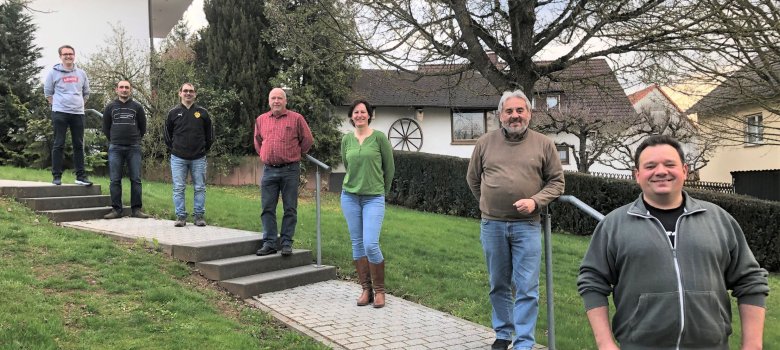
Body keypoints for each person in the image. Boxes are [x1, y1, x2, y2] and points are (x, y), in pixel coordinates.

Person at [577, 135, 769, 350]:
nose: (661, 171)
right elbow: (592, 282)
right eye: (650, 166)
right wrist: (605, 344)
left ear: (685, 171)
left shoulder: (718, 219)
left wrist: (753, 345)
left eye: (670, 164)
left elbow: (750, 281)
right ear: (637, 175)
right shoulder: (614, 225)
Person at [466, 90, 565, 350]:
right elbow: (473, 179)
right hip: (492, 225)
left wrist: (536, 201)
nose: (514, 116)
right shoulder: (485, 143)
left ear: (529, 114)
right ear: (500, 115)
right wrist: (487, 202)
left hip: (528, 225)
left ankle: (523, 342)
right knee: (498, 283)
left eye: (520, 110)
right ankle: (503, 333)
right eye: (509, 111)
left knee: (527, 288)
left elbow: (557, 182)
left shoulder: (544, 144)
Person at [340, 100, 395, 308]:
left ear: (369, 115)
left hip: (374, 197)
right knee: (357, 244)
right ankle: (366, 290)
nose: (360, 115)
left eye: (363, 112)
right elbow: (347, 165)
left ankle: (380, 291)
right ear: (351, 116)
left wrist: (382, 192)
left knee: (370, 243)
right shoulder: (346, 140)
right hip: (350, 197)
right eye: (356, 112)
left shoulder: (379, 138)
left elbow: (389, 169)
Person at [253, 88, 314, 257]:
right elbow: (258, 141)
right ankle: (270, 243)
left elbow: (308, 139)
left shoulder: (296, 118)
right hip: (269, 170)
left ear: (285, 101)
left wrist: (296, 153)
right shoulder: (261, 120)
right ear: (269, 101)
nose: (276, 101)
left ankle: (286, 242)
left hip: (289, 170)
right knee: (267, 208)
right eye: (273, 98)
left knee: (290, 208)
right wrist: (265, 154)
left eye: (280, 98)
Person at [164, 83, 213, 227]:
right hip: (178, 158)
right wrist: (174, 149)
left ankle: (199, 216)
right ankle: (180, 216)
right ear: (180, 93)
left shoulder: (203, 113)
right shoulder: (173, 113)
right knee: (178, 187)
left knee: (200, 187)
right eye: (185, 91)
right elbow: (167, 135)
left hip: (199, 157)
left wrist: (203, 149)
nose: (188, 93)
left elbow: (210, 135)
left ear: (195, 94)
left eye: (191, 91)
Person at [43, 45, 92, 186]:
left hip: (78, 114)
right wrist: (59, 105)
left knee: (79, 145)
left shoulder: (81, 73)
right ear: (60, 56)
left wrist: (78, 105)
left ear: (74, 55)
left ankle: (80, 177)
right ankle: (56, 176)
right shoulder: (53, 73)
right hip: (60, 113)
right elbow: (48, 93)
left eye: (70, 54)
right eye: (65, 54)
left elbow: (86, 93)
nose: (68, 56)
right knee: (59, 144)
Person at [102, 80, 150, 219]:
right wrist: (114, 139)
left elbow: (143, 127)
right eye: (121, 87)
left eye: (127, 87)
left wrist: (135, 139)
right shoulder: (110, 107)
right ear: (116, 90)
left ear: (131, 90)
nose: (124, 90)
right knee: (115, 180)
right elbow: (105, 127)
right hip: (115, 148)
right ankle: (117, 210)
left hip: (133, 148)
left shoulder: (137, 107)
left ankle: (136, 210)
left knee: (136, 179)